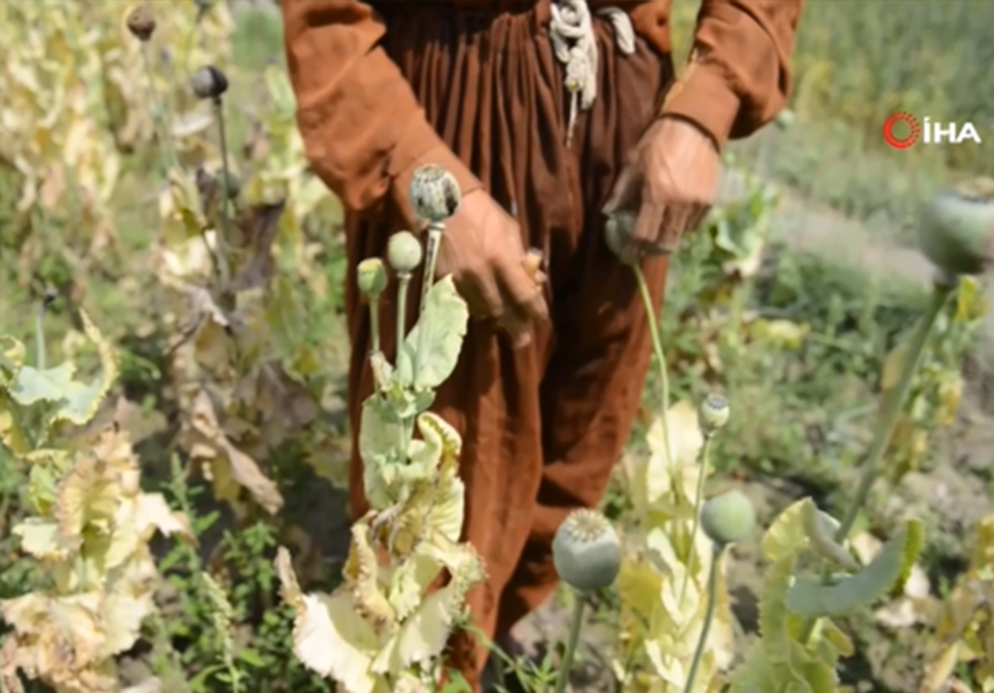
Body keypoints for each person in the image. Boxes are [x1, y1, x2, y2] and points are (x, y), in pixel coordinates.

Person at [281, 0, 803, 687]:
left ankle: (492, 641)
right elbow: (326, 21)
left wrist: (706, 104)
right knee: (436, 504)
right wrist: (425, 177)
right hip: (451, 101)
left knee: (575, 457)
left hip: (629, 112)